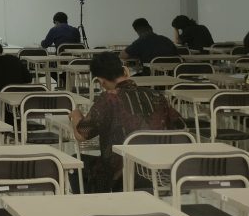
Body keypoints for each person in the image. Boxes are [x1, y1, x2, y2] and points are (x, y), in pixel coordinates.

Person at [68, 52, 184, 193]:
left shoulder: (108, 99)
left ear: (101, 81)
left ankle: (99, 204)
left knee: (75, 164)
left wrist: (76, 116)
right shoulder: (156, 96)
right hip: (159, 171)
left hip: (119, 174)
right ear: (125, 72)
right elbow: (181, 127)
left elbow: (81, 135)